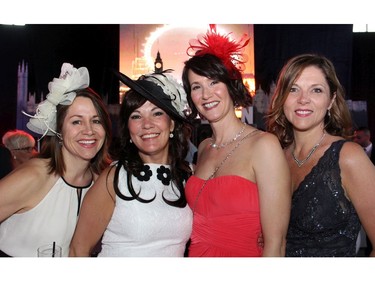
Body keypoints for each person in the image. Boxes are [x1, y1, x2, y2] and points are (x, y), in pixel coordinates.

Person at [181, 25, 291, 257]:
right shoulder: (203, 148)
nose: (206, 94)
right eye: (196, 87)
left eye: (213, 82)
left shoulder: (264, 146)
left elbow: (276, 244)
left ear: (231, 85)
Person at [69, 70, 193, 257]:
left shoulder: (189, 176)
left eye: (157, 113)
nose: (146, 124)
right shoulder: (113, 179)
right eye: (136, 116)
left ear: (172, 124)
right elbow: (78, 250)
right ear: (128, 127)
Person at [267, 53, 375, 257]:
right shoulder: (275, 157)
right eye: (293, 89)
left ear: (331, 100)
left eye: (316, 90)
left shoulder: (348, 157)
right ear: (282, 98)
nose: (303, 99)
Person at [0, 63, 112, 257]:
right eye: (76, 121)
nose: (89, 130)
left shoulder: (101, 181)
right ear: (59, 130)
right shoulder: (35, 175)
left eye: (96, 121)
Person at [353, 126, 374, 256]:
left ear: (367, 137)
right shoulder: (351, 153)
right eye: (354, 137)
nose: (355, 140)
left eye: (358, 137)